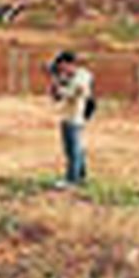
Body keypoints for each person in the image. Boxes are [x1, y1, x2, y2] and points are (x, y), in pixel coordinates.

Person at [50, 51, 95, 187]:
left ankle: (72, 179)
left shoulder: (82, 76)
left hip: (75, 117)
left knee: (72, 149)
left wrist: (61, 87)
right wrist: (57, 83)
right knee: (76, 149)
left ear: (69, 64)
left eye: (63, 66)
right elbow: (57, 98)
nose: (61, 70)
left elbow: (76, 92)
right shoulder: (71, 77)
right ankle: (80, 176)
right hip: (68, 115)